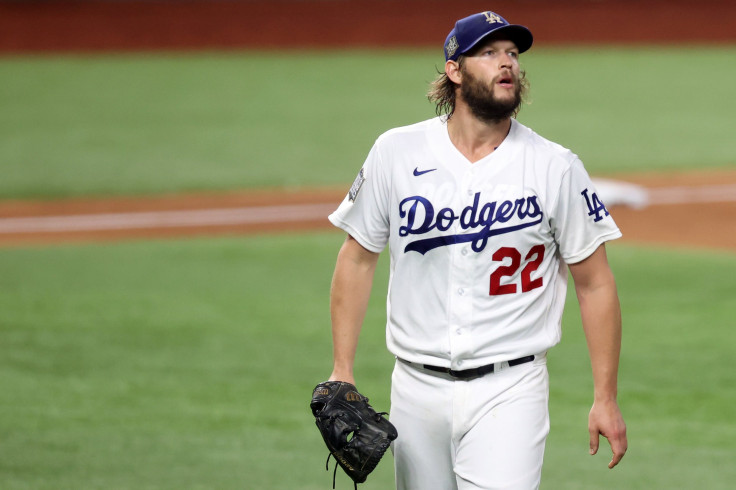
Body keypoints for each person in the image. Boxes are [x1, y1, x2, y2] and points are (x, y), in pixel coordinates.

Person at [325, 10, 627, 490]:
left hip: (511, 388)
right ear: (454, 70)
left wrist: (605, 396)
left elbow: (595, 283)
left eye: (511, 54)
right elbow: (357, 257)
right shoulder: (395, 153)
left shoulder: (555, 167)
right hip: (415, 389)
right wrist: (342, 369)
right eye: (488, 53)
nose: (506, 63)